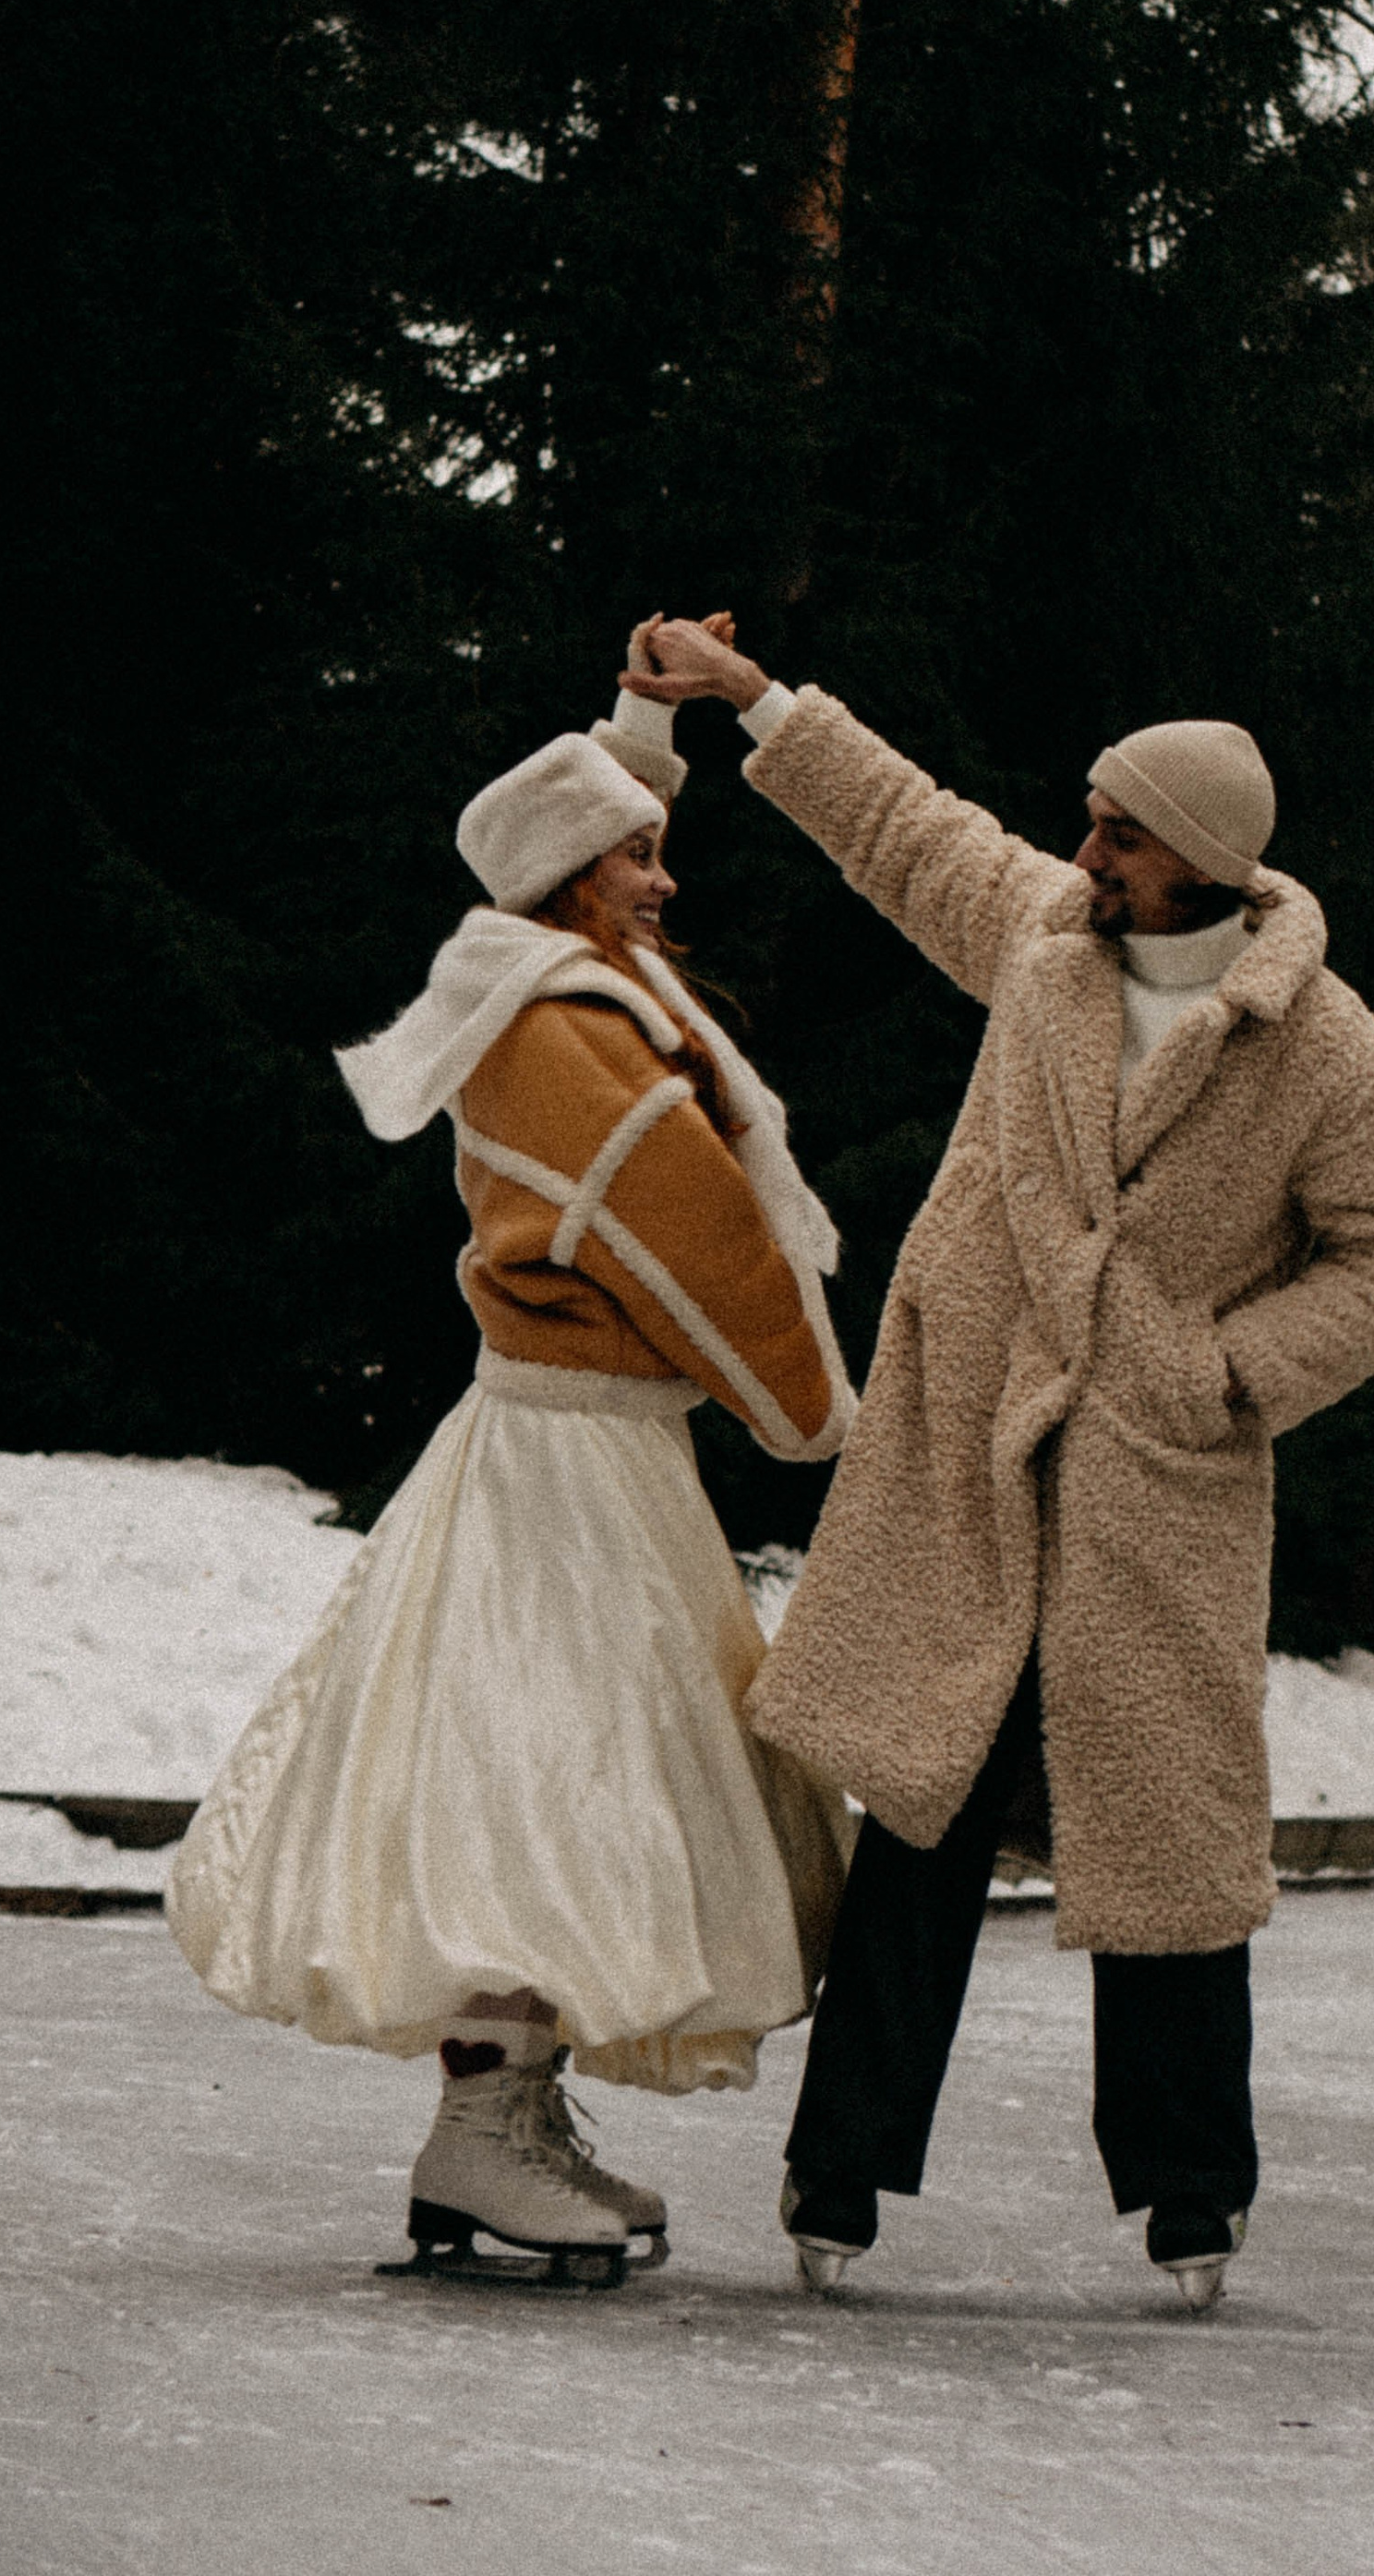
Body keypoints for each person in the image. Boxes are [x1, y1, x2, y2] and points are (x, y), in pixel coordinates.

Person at [623, 620, 1374, 2311]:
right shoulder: (1046, 948)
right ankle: (836, 2170)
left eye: (1120, 833)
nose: (1084, 853)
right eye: (1087, 821)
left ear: (1202, 862)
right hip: (972, 1455)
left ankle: (1192, 2199)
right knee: (919, 1817)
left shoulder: (1326, 1049)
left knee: (1166, 1845)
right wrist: (750, 699)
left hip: (1159, 1489)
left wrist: (1224, 1375)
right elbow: (905, 828)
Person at [166, 658, 855, 2280]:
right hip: (568, 1465)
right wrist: (820, 1415)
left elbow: (592, 842)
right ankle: (480, 2133)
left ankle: (505, 2120)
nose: (664, 879)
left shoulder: (553, 982)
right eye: (636, 858)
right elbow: (690, 1234)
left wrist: (648, 728)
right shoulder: (563, 1024)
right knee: (542, 1780)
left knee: (553, 1777)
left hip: (580, 1446)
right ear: (570, 883)